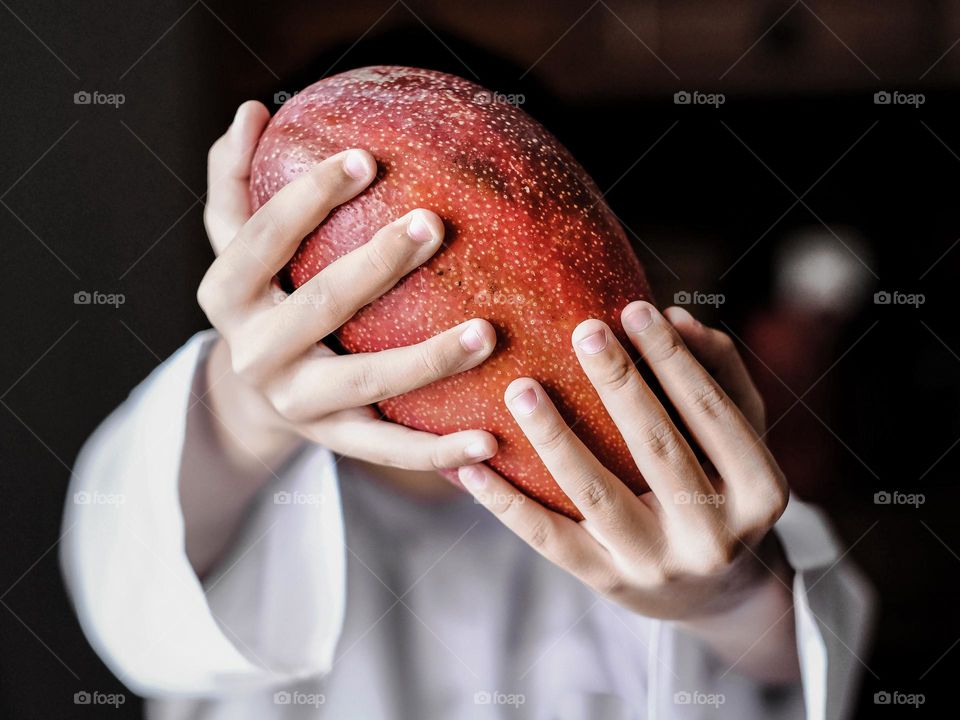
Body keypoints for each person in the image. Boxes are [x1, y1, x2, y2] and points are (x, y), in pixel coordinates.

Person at [61, 101, 873, 719]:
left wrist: (718, 594)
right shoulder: (211, 473)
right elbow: (131, 604)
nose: (469, 306)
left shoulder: (665, 479)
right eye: (407, 262)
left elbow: (806, 666)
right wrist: (247, 403)